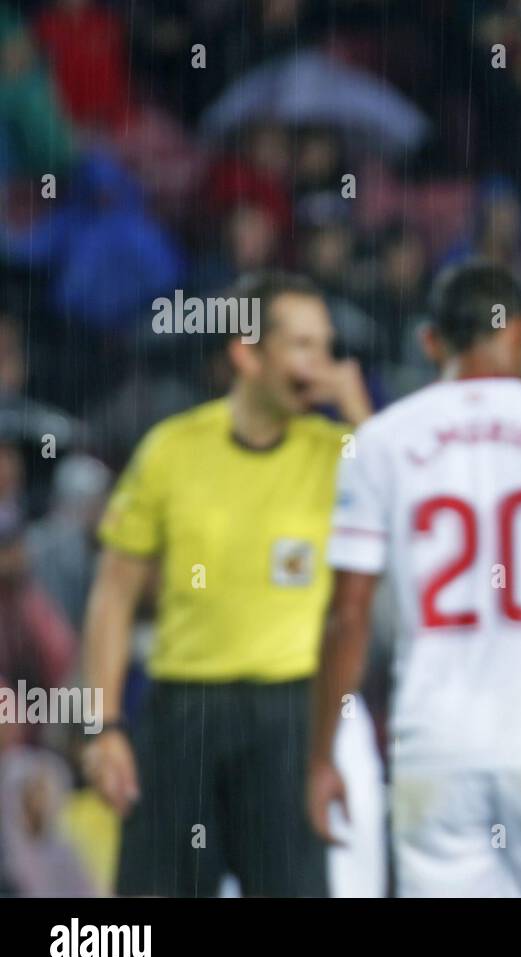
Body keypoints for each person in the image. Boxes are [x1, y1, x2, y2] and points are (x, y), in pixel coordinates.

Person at [81, 271, 375, 897]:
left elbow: (407, 521)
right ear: (246, 353)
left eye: (326, 346)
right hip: (181, 713)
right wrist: (102, 726)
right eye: (301, 345)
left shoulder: (345, 450)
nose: (320, 363)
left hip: (293, 717)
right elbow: (112, 595)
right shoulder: (171, 449)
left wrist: (357, 412)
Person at [308, 259, 521, 896]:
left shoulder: (379, 441)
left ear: (432, 341)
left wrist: (322, 754)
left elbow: (347, 614)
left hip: (436, 746)